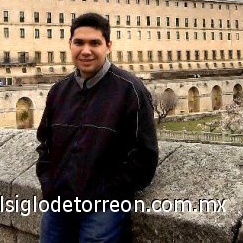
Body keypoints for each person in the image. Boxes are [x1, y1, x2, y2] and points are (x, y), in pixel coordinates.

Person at [36, 12, 158, 243]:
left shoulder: (130, 90)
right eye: (79, 42)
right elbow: (45, 144)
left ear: (108, 46)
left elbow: (145, 155)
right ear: (69, 44)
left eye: (95, 43)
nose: (86, 50)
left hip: (103, 208)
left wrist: (109, 194)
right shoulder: (58, 91)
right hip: (59, 204)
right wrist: (49, 186)